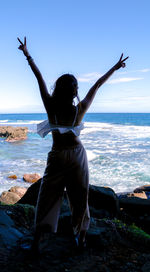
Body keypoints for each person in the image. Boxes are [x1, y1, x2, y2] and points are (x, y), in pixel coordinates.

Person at [18, 37, 128, 250]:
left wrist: (27, 54)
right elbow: (97, 84)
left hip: (58, 154)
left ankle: (37, 242)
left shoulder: (50, 104)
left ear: (57, 88)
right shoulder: (80, 108)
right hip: (77, 154)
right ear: (75, 91)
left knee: (47, 196)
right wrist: (115, 67)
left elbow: (39, 77)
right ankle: (81, 237)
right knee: (80, 196)